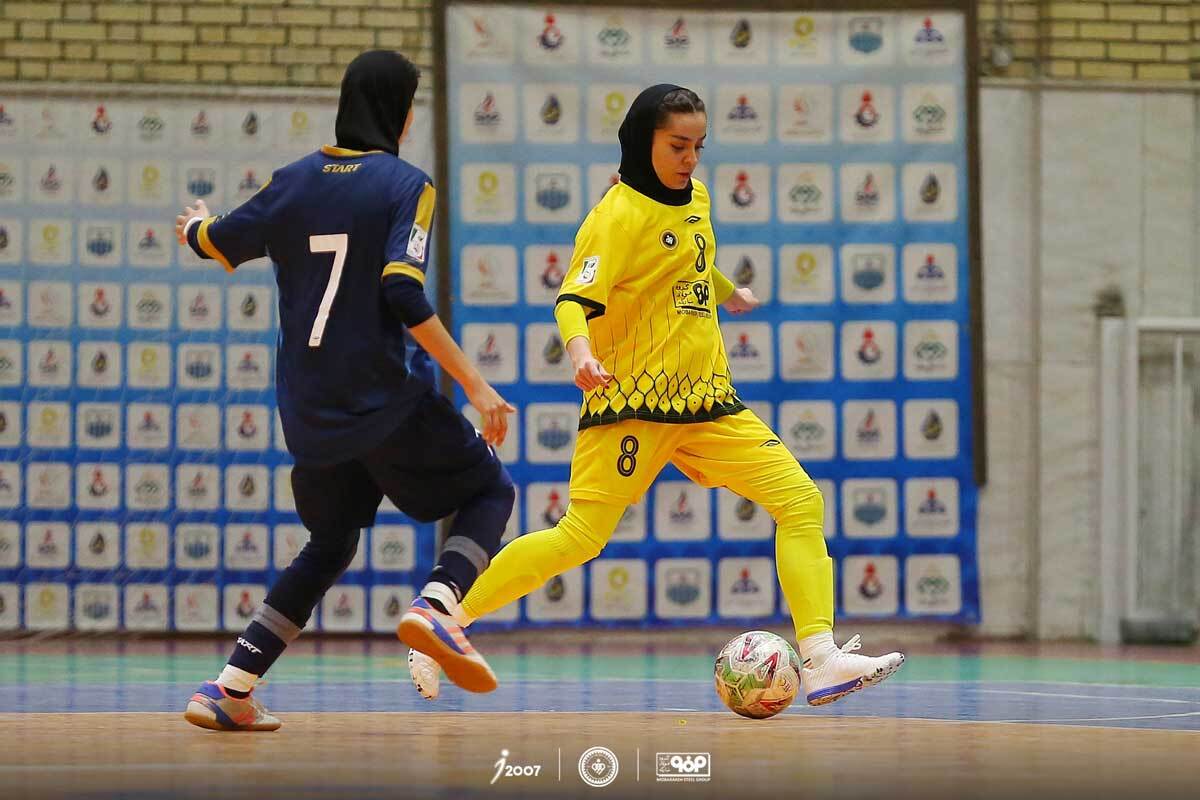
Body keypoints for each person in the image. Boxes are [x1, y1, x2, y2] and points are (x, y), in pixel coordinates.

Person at [408, 85, 904, 706]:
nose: (690, 158)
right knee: (579, 538)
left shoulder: (698, 198)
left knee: (800, 501)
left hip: (707, 403)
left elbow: (690, 259)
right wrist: (581, 353)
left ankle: (821, 658)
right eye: (677, 145)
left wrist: (728, 291)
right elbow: (573, 300)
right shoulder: (615, 216)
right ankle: (444, 626)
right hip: (632, 405)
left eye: (699, 146)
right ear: (643, 142)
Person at [176, 50, 515, 731]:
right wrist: (477, 386)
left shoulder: (292, 181)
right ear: (399, 112)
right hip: (383, 401)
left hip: (310, 416)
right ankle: (438, 605)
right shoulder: (405, 184)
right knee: (490, 491)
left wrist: (194, 224)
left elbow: (213, 242)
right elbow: (402, 289)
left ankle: (229, 689)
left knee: (330, 542)